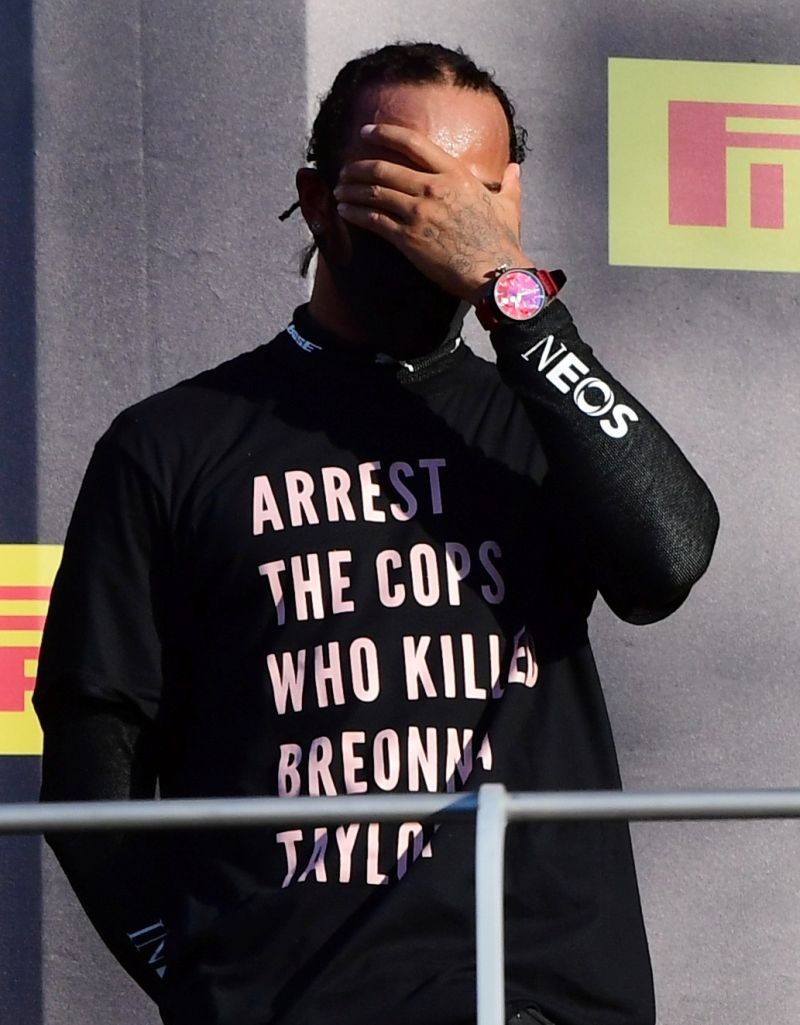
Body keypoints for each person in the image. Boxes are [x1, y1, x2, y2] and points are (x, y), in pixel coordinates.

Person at [34, 41, 719, 1025]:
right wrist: (202, 980)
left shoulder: (536, 424)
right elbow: (90, 771)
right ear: (317, 201)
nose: (441, 219)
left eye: (473, 194)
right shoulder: (168, 445)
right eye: (406, 187)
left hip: (535, 1003)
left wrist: (509, 285)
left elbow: (666, 555)